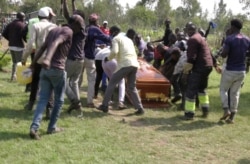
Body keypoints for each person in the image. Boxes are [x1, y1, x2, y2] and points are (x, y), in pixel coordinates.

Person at [29, 14, 85, 140]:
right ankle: (52, 127)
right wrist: (48, 59)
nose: (80, 30)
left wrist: (34, 63)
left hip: (45, 70)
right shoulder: (68, 31)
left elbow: (43, 47)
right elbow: (56, 42)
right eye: (80, 27)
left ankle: (34, 127)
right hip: (57, 69)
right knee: (59, 101)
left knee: (43, 99)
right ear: (75, 24)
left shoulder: (54, 29)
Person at [97, 26, 144, 115]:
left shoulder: (116, 39)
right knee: (132, 87)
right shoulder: (129, 40)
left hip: (125, 64)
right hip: (134, 64)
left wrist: (108, 58)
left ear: (114, 32)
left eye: (111, 32)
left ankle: (105, 105)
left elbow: (114, 51)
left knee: (112, 83)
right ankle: (140, 108)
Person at [21, 7, 57, 118]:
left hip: (39, 58)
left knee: (35, 81)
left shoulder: (35, 26)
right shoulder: (54, 26)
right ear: (48, 16)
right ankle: (49, 110)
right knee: (50, 84)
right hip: (51, 58)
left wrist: (24, 58)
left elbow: (30, 44)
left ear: (39, 17)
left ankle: (31, 104)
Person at [219, 19, 250, 124]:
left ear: (232, 27)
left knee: (223, 90)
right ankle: (232, 117)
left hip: (230, 70)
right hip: (242, 71)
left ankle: (226, 109)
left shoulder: (230, 39)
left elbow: (224, 54)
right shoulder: (247, 39)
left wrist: (223, 47)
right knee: (235, 93)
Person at [182, 22, 213, 120]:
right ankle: (205, 110)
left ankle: (189, 114)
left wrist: (185, 73)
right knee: (202, 89)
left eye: (186, 30)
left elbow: (191, 58)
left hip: (199, 67)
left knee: (191, 90)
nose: (186, 32)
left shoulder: (193, 39)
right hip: (207, 66)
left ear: (189, 30)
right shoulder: (200, 37)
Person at [62, 0, 86, 115]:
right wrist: (72, 2)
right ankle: (79, 110)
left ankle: (74, 100)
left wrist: (64, 2)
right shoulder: (82, 28)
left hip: (72, 59)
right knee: (74, 83)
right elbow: (73, 14)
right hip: (80, 60)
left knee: (62, 80)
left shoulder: (75, 29)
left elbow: (67, 15)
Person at [84, 13, 111, 108]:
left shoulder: (85, 28)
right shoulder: (94, 29)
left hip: (80, 56)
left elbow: (87, 42)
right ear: (95, 21)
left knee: (77, 80)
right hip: (89, 56)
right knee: (91, 79)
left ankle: (75, 100)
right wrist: (114, 39)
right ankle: (89, 101)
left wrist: (97, 46)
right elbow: (105, 38)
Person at [2, 12, 26, 81]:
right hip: (19, 46)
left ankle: (13, 76)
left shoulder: (10, 24)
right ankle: (21, 77)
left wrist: (11, 39)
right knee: (21, 62)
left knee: (15, 62)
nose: (24, 19)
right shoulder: (22, 25)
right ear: (21, 18)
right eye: (23, 17)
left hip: (11, 46)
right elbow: (24, 36)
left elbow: (4, 33)